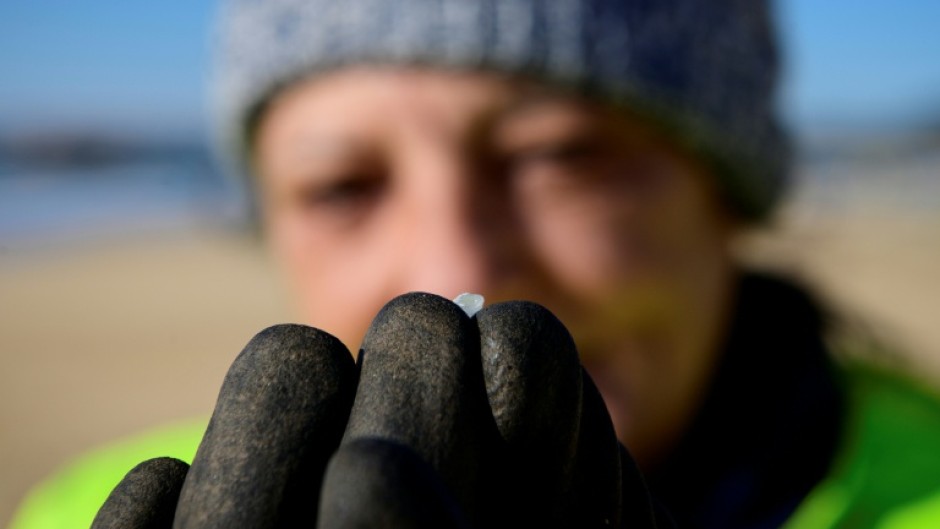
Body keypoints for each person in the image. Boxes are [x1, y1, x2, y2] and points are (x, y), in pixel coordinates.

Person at [11, 0, 940, 528]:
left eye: (560, 155)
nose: (454, 266)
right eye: (341, 184)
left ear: (728, 194)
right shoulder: (76, 510)